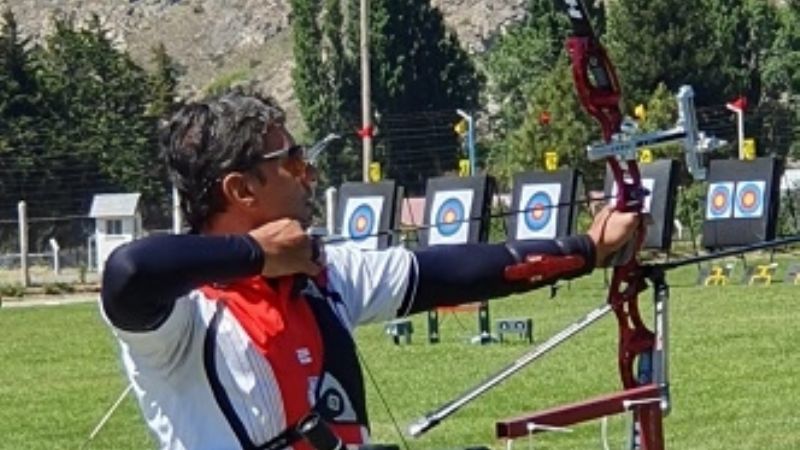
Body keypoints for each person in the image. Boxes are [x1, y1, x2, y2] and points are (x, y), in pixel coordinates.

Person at [100, 91, 640, 450]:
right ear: (241, 190)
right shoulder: (182, 318)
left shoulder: (321, 273)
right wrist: (256, 253)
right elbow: (129, 272)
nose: (309, 174)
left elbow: (452, 273)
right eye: (291, 161)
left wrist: (585, 249)